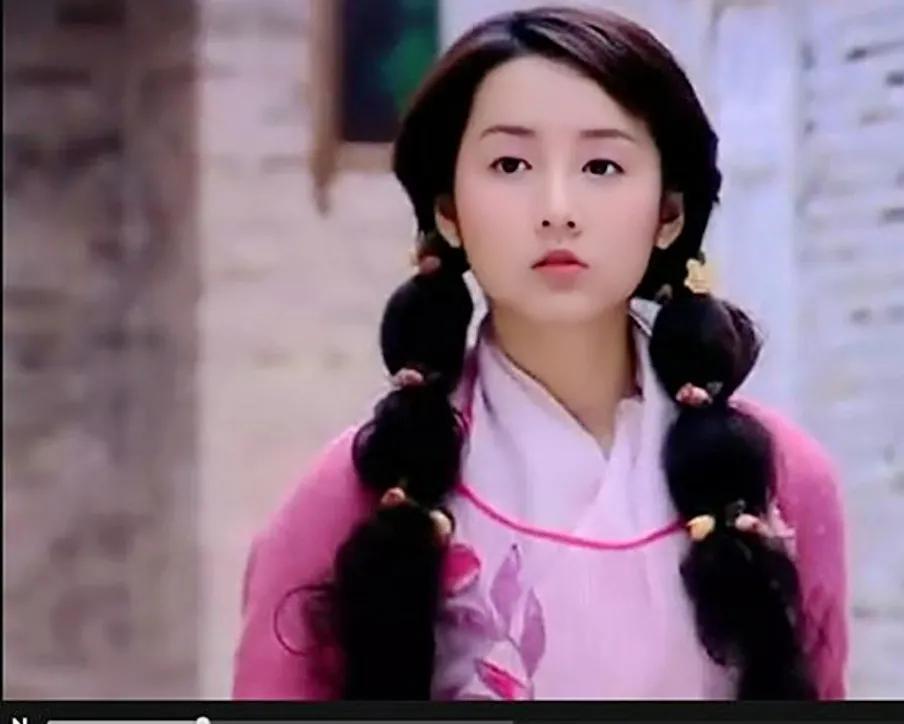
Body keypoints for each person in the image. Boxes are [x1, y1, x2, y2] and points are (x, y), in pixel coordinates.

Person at [232, 5, 848, 700]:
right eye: (511, 164)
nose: (557, 208)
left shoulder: (781, 483)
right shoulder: (350, 496)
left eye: (601, 165)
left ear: (668, 212)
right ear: (448, 210)